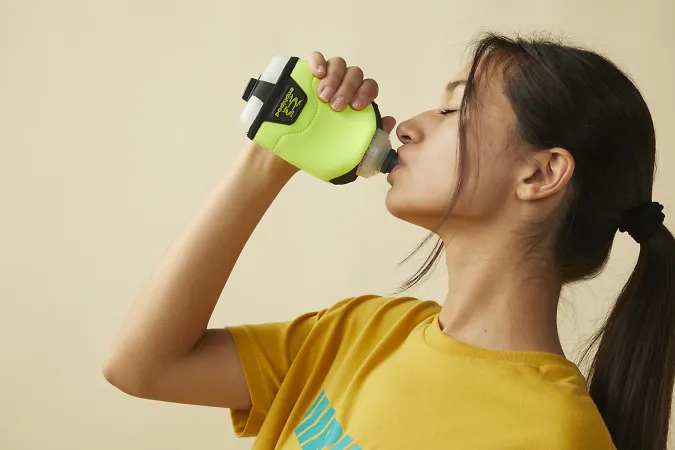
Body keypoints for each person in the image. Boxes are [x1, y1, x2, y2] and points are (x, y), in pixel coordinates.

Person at [103, 32, 674, 450]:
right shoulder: (360, 330)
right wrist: (272, 153)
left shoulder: (555, 434)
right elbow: (142, 366)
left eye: (456, 109)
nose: (407, 126)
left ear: (541, 174)